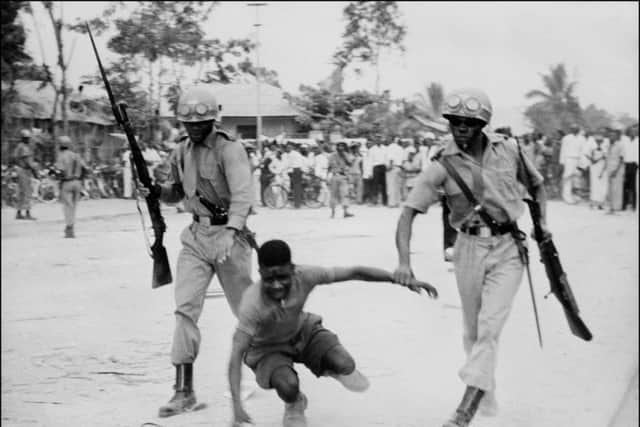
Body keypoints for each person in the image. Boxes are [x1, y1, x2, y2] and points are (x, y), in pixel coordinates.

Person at [394, 88, 549, 427]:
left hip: (509, 247)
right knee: (473, 332)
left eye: (469, 123)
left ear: (482, 124)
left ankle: (465, 409)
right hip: (467, 249)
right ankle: (485, 394)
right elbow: (407, 214)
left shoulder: (509, 149)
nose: (461, 128)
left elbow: (536, 186)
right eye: (455, 122)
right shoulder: (441, 165)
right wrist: (404, 262)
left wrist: (543, 225)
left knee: (490, 327)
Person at [228, 239, 438, 427]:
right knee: (288, 385)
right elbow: (237, 354)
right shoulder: (252, 303)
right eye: (268, 279)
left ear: (292, 269)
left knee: (345, 364)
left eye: (282, 277)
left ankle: (330, 368)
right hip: (267, 349)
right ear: (260, 273)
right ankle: (295, 403)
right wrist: (237, 405)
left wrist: (399, 279)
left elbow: (354, 272)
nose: (276, 285)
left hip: (302, 331)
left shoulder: (306, 275)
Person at [138, 84, 255, 418]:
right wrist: (156, 190)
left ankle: (270, 370)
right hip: (196, 237)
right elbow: (177, 192)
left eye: (200, 123)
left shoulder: (230, 149)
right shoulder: (181, 151)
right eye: (187, 123)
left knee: (247, 312)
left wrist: (230, 233)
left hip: (230, 236)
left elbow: (243, 196)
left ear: (214, 121)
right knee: (185, 309)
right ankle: (183, 391)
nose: (193, 128)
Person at [54, 135, 87, 238]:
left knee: (68, 206)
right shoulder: (76, 155)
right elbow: (85, 169)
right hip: (77, 183)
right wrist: (80, 180)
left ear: (60, 145)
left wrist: (57, 178)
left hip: (67, 183)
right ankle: (71, 227)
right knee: (74, 206)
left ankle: (69, 228)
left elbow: (60, 171)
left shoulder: (61, 156)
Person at [12, 129, 39, 220]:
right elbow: (28, 161)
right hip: (24, 171)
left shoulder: (18, 146)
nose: (28, 140)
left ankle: (19, 212)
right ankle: (27, 213)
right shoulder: (24, 147)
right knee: (28, 192)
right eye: (27, 138)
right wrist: (35, 172)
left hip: (20, 169)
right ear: (24, 138)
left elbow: (15, 158)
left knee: (21, 192)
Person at [328, 141, 355, 218]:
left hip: (343, 177)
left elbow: (350, 164)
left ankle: (345, 212)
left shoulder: (346, 155)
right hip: (335, 176)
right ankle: (333, 212)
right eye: (339, 146)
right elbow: (330, 166)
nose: (341, 148)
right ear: (337, 147)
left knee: (345, 194)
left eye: (342, 146)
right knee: (333, 195)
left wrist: (345, 157)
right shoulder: (332, 155)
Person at [559, 124, 585, 204]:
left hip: (578, 159)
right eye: (573, 128)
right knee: (567, 178)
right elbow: (563, 150)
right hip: (569, 159)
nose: (575, 130)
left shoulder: (582, 138)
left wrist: (583, 163)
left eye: (576, 128)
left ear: (579, 129)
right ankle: (567, 197)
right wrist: (562, 161)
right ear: (571, 129)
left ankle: (577, 197)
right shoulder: (566, 138)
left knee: (577, 179)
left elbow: (583, 151)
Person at [585, 131, 609, 209]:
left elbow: (606, 157)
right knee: (594, 185)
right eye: (597, 140)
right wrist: (592, 159)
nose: (598, 141)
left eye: (600, 140)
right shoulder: (591, 146)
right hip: (594, 167)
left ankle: (600, 204)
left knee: (602, 185)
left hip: (602, 167)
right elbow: (587, 154)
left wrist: (603, 169)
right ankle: (592, 203)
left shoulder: (605, 146)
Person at [605, 129, 625, 213]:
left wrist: (616, 171)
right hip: (609, 168)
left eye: (613, 136)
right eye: (610, 135)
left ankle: (617, 207)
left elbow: (621, 159)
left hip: (617, 169)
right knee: (610, 189)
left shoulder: (620, 145)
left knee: (617, 188)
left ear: (616, 136)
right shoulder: (608, 145)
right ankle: (611, 206)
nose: (611, 137)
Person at [622, 124, 638, 211]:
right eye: (631, 131)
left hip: (634, 165)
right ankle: (624, 205)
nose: (633, 133)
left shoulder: (638, 141)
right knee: (625, 186)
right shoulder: (625, 141)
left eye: (635, 131)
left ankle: (634, 206)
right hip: (626, 165)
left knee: (634, 187)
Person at [367, 136, 388, 205]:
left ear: (381, 140)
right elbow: (370, 161)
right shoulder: (372, 149)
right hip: (375, 167)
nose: (378, 140)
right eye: (377, 139)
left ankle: (385, 201)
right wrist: (370, 173)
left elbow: (386, 159)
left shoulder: (385, 148)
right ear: (375, 140)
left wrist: (387, 167)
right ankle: (374, 201)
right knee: (375, 185)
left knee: (384, 185)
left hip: (383, 167)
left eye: (379, 139)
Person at [386, 137, 405, 207]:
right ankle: (397, 202)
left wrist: (390, 167)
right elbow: (403, 160)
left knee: (391, 186)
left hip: (393, 167)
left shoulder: (391, 147)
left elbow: (391, 158)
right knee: (397, 186)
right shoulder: (401, 148)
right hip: (399, 168)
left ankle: (392, 203)